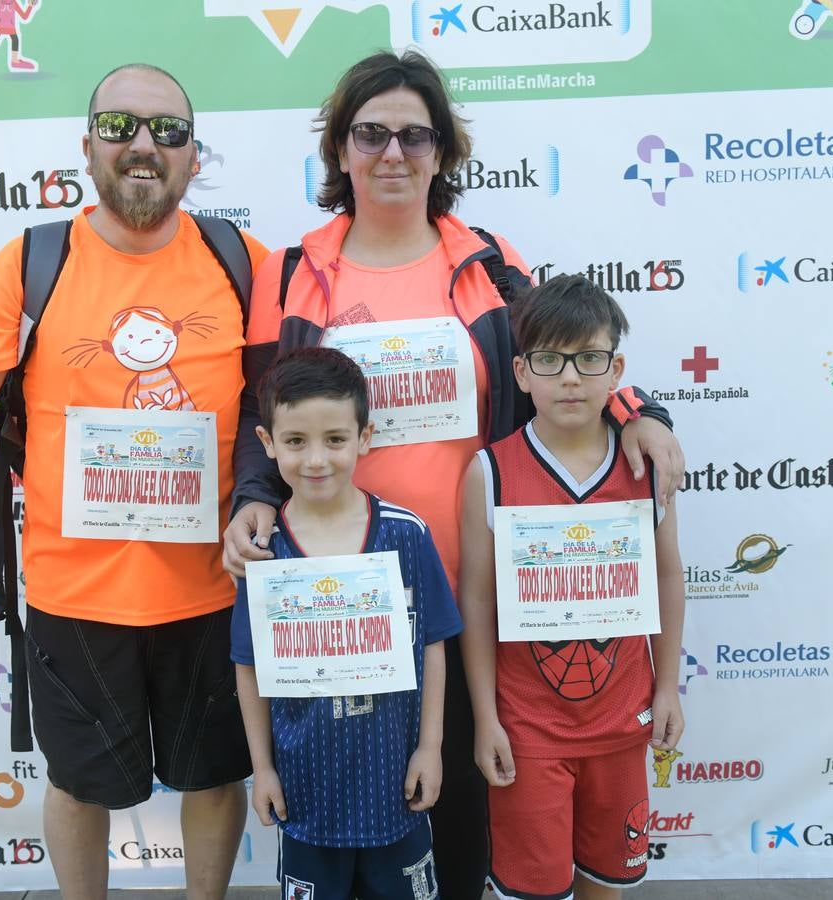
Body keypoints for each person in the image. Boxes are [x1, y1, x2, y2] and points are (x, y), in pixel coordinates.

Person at [224, 49, 685, 898]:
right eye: (371, 133)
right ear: (340, 148)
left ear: (443, 153)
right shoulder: (287, 272)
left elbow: (564, 354)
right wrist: (252, 497)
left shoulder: (487, 259)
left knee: (472, 808)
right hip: (339, 595)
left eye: (414, 135)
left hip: (476, 592)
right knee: (355, 827)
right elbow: (258, 408)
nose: (392, 153)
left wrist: (641, 413)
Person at [0, 64, 270, 899]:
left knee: (213, 776)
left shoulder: (239, 259)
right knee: (80, 785)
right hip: (75, 599)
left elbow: (282, 408)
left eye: (168, 131)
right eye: (120, 127)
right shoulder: (33, 261)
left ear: (194, 157)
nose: (143, 145)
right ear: (87, 148)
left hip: (214, 592)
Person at [457, 274, 686, 899]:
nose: (570, 378)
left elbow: (667, 578)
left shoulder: (643, 467)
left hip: (621, 718)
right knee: (534, 886)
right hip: (527, 726)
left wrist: (667, 687)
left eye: (589, 359)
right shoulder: (491, 470)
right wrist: (486, 719)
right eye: (550, 360)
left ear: (617, 372)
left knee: (606, 880)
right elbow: (476, 601)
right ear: (522, 372)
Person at [230, 347, 462, 899]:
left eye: (335, 439)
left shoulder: (405, 534)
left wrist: (431, 747)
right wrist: (261, 767)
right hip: (306, 794)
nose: (316, 460)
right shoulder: (264, 550)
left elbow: (431, 645)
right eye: (295, 442)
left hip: (394, 789)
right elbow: (248, 666)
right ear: (267, 444)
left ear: (365, 437)